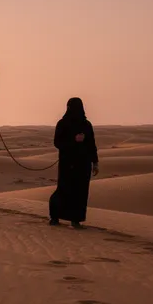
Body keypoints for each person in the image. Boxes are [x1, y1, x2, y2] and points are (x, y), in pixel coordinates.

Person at [49, 97, 98, 228]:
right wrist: (73, 139)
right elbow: (57, 142)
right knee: (63, 190)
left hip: (83, 164)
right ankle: (54, 217)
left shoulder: (86, 125)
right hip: (68, 164)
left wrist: (95, 162)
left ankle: (75, 220)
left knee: (80, 192)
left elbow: (92, 144)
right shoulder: (63, 124)